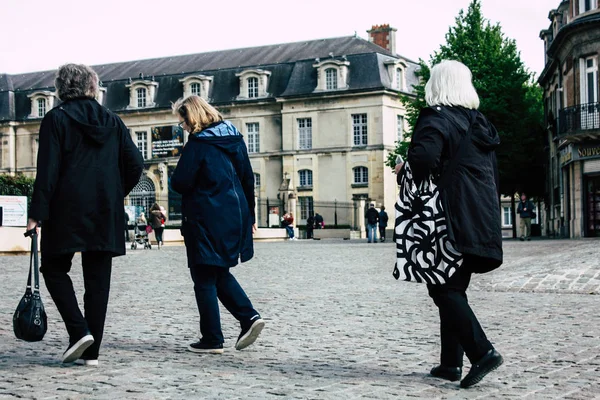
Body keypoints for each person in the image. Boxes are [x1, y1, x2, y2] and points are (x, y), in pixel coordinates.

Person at [27, 63, 143, 365]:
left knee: (53, 269)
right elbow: (135, 164)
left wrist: (36, 213)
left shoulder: (56, 119)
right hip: (105, 210)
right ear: (93, 86)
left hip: (65, 208)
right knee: (97, 282)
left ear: (61, 88)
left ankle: (79, 331)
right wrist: (115, 193)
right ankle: (91, 351)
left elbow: (47, 171)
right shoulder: (113, 120)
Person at [398, 60, 503, 388]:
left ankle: (482, 352)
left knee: (442, 287)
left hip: (449, 214)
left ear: (437, 84)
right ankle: (450, 364)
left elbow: (424, 159)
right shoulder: (479, 123)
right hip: (479, 213)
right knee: (453, 286)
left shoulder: (437, 117)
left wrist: (405, 167)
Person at [171, 95, 264, 354]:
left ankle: (213, 338)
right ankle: (249, 318)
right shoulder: (234, 138)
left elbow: (179, 182)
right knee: (218, 271)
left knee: (203, 275)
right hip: (234, 215)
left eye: (183, 123)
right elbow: (247, 180)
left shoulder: (198, 144)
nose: (184, 128)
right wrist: (251, 217)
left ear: (192, 118)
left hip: (204, 217)